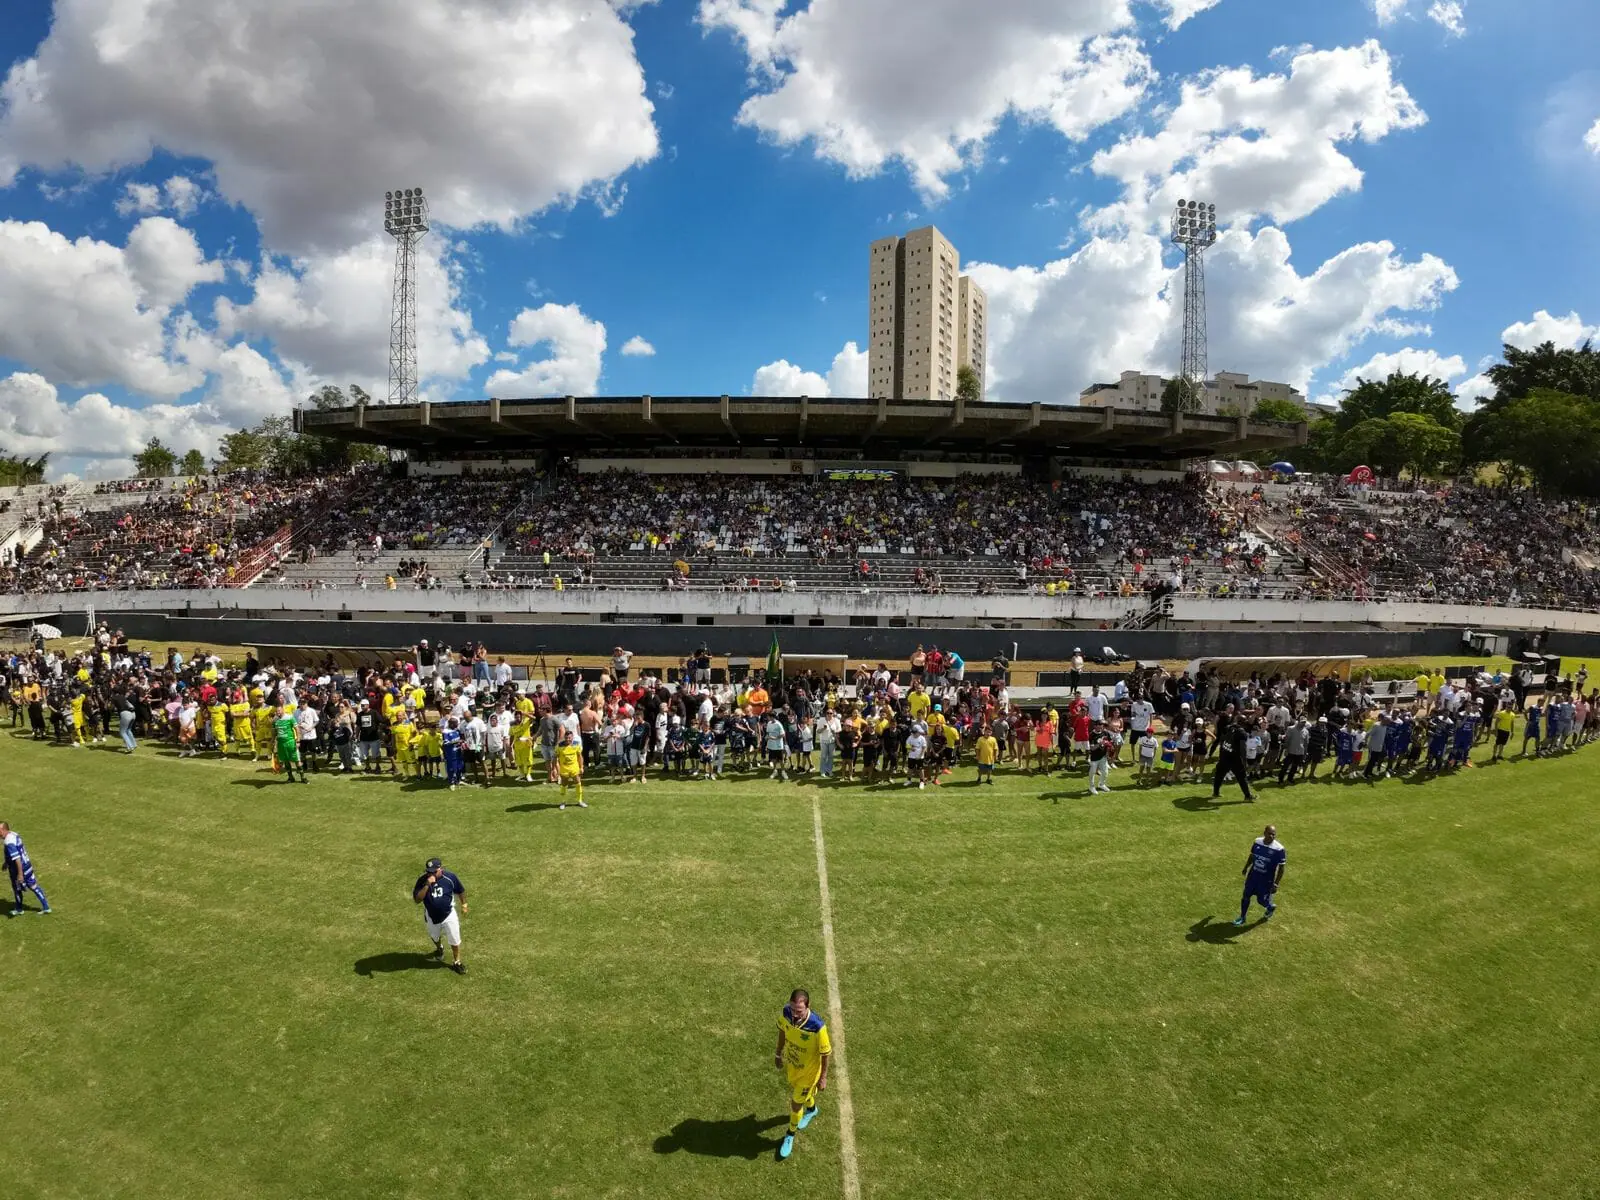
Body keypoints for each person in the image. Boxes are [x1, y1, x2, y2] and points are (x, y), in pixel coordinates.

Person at [774, 988, 831, 1161]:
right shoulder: (786, 1013)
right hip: (794, 1066)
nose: (795, 1014)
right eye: (792, 1009)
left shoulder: (817, 1027)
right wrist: (778, 1053)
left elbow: (826, 1053)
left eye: (798, 1010)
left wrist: (823, 1077)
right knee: (802, 1097)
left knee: (796, 1103)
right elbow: (783, 1031)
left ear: (808, 1006)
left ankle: (790, 1134)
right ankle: (812, 1109)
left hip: (809, 1074)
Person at [412, 856, 467, 974]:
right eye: (428, 872)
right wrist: (427, 884)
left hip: (449, 914)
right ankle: (439, 948)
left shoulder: (450, 877)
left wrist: (464, 904)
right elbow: (417, 900)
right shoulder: (422, 881)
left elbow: (460, 890)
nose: (430, 874)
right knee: (434, 936)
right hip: (431, 916)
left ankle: (457, 961)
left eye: (433, 872)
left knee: (454, 939)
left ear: (440, 869)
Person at [1234, 824, 1285, 926]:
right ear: (1264, 833)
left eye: (1273, 834)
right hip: (1253, 876)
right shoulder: (1257, 842)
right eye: (1269, 834)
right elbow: (1252, 856)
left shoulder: (1279, 849)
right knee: (1246, 896)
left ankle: (1270, 907)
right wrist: (1246, 867)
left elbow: (1281, 868)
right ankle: (1242, 917)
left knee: (1261, 900)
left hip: (1266, 880)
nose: (1271, 836)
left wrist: (1276, 884)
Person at [2, 821, 51, 915]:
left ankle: (19, 909)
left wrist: (20, 874)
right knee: (33, 886)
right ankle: (46, 907)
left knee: (17, 888)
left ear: (3, 830)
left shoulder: (9, 842)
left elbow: (17, 859)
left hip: (19, 868)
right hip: (27, 864)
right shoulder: (14, 834)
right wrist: (6, 862)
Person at [1212, 718, 1253, 801]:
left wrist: (1221, 754)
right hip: (1234, 758)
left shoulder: (1229, 727)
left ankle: (1215, 793)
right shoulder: (1242, 733)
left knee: (1219, 775)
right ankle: (1247, 796)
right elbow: (1243, 748)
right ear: (1244, 724)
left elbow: (1222, 740)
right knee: (1242, 777)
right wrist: (1244, 761)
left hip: (1224, 755)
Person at [273, 704, 306, 784]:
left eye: (279, 711)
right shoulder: (275, 720)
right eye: (277, 711)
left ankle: (303, 778)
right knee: (285, 761)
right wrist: (273, 742)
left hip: (290, 742)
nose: (278, 713)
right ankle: (291, 777)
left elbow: (297, 729)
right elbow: (274, 732)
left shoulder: (290, 717)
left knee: (297, 760)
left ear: (283, 710)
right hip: (281, 744)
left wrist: (298, 741)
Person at [555, 727, 587, 810]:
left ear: (572, 737)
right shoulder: (559, 746)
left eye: (569, 738)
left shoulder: (576, 744)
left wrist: (581, 767)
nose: (568, 739)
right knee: (564, 784)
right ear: (564, 738)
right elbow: (556, 758)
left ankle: (580, 801)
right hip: (564, 769)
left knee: (578, 783)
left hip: (574, 768)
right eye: (566, 738)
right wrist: (557, 770)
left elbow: (580, 757)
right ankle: (563, 802)